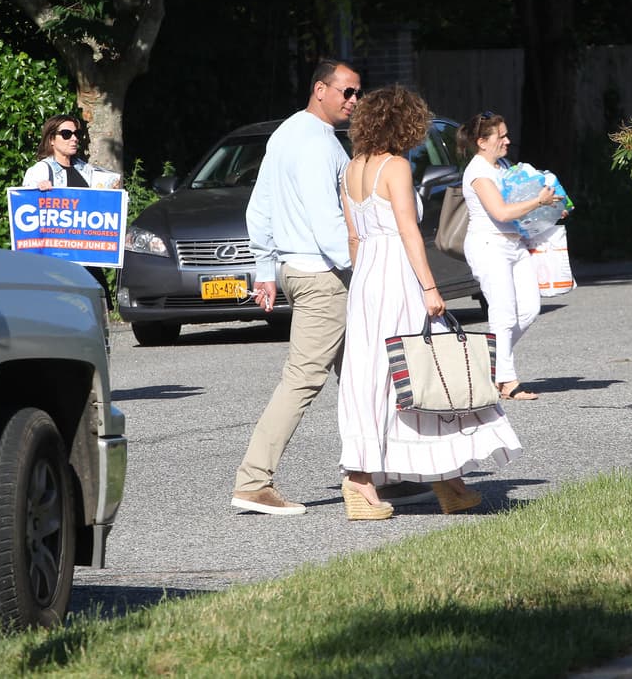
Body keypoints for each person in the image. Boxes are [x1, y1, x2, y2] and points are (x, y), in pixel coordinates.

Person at [337, 86, 522, 520]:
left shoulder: (349, 169)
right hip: (398, 275)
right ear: (404, 123)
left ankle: (426, 480)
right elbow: (407, 231)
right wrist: (429, 287)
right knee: (425, 369)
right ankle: (398, 481)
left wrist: (363, 284)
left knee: (377, 376)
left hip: (366, 279)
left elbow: (353, 237)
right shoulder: (395, 166)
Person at [230, 59, 360, 516]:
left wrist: (266, 268)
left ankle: (378, 474)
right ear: (319, 89)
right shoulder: (317, 145)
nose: (353, 100)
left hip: (297, 269)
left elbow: (259, 207)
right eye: (346, 92)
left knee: (364, 376)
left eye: (357, 93)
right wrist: (362, 265)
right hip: (323, 274)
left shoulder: (287, 132)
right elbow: (329, 222)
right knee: (303, 378)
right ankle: (253, 481)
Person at [457, 111, 561, 401]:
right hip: (489, 246)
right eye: (500, 136)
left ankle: (487, 367)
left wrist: (549, 207)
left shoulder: (501, 165)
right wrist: (537, 200)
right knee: (502, 313)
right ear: (482, 141)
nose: (507, 141)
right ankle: (507, 380)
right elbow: (501, 212)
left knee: (529, 309)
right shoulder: (478, 172)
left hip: (515, 244)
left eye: (505, 134)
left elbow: (518, 203)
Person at [22, 113, 116, 308]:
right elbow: (25, 211)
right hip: (56, 261)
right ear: (51, 140)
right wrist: (37, 193)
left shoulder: (87, 170)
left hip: (86, 255)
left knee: (100, 306)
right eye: (66, 134)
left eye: (76, 133)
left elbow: (104, 205)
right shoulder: (40, 171)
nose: (74, 138)